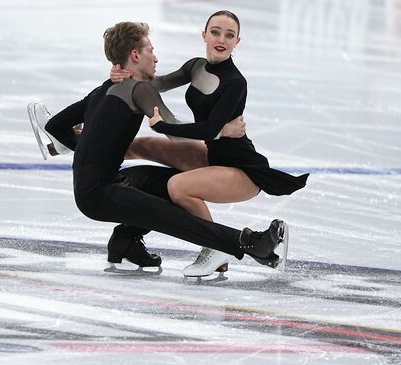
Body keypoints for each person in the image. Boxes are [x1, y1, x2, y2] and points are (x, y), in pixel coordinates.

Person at [34, 21, 287, 276]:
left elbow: (55, 126)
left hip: (106, 183)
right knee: (168, 217)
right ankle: (252, 243)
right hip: (101, 195)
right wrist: (222, 131)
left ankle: (125, 244)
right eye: (150, 51)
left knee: (172, 183)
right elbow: (173, 132)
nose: (155, 58)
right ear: (135, 55)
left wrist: (85, 148)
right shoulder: (139, 90)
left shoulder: (107, 87)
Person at [110, 10, 309, 277]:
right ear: (204, 35)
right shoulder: (196, 66)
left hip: (243, 170)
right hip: (213, 154)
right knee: (143, 145)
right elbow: (156, 84)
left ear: (237, 42)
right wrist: (124, 72)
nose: (221, 39)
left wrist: (163, 126)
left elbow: (209, 129)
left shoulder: (236, 82)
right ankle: (72, 143)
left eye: (230, 35)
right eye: (215, 32)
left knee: (177, 186)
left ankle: (213, 249)